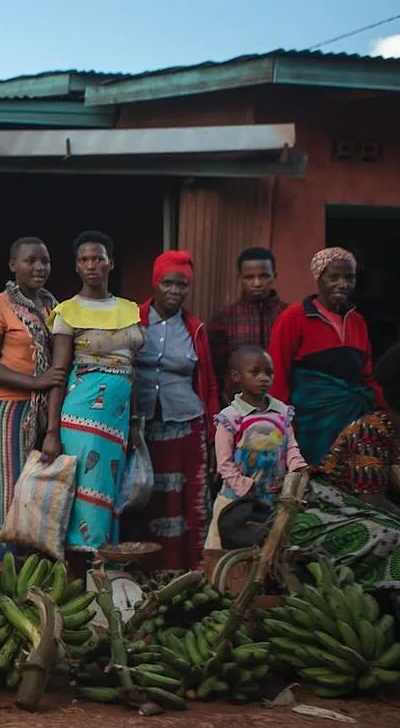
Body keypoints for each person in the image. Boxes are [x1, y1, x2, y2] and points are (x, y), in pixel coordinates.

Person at [290, 344, 400, 589]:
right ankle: (381, 603)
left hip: (397, 521)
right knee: (392, 536)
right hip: (332, 517)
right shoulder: (372, 429)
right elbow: (372, 501)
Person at [43, 231, 146, 555]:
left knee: (109, 491)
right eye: (84, 260)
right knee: (85, 495)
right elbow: (58, 374)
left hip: (118, 420)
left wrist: (134, 424)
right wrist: (52, 430)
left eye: (98, 258)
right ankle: (83, 575)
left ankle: (102, 572)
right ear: (76, 267)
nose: (91, 265)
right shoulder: (67, 312)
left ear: (110, 263)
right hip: (81, 414)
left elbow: (134, 370)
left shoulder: (130, 310)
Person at [126, 250, 221, 571]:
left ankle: (183, 570)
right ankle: (141, 570)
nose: (175, 291)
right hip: (141, 428)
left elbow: (206, 383)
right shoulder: (133, 318)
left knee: (183, 502)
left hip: (186, 425)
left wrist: (212, 431)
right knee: (142, 496)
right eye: (168, 283)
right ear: (155, 284)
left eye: (182, 285)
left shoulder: (194, 328)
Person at [0, 237, 64, 560]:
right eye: (30, 261)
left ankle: (30, 572)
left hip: (43, 412)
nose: (39, 268)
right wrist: (35, 382)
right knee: (7, 491)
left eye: (45, 261)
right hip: (8, 410)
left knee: (35, 492)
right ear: (13, 265)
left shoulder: (54, 307)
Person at [269, 247, 384, 467]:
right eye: (334, 277)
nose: (342, 284)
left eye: (349, 278)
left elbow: (366, 375)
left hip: (352, 424)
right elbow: (278, 373)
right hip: (307, 426)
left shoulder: (357, 321)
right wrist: (283, 423)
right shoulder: (294, 317)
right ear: (319, 279)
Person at [206, 346, 308, 550]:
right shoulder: (230, 417)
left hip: (273, 497)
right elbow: (224, 464)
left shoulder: (281, 412)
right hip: (235, 502)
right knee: (226, 551)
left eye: (269, 373)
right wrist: (243, 487)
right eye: (255, 372)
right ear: (236, 376)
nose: (264, 378)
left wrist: (298, 467)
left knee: (271, 549)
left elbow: (291, 448)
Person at [208, 247, 291, 389]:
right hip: (237, 404)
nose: (257, 283)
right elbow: (217, 370)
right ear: (239, 278)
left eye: (264, 276)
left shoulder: (289, 314)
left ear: (274, 276)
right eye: (249, 277)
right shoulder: (224, 318)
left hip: (282, 402)